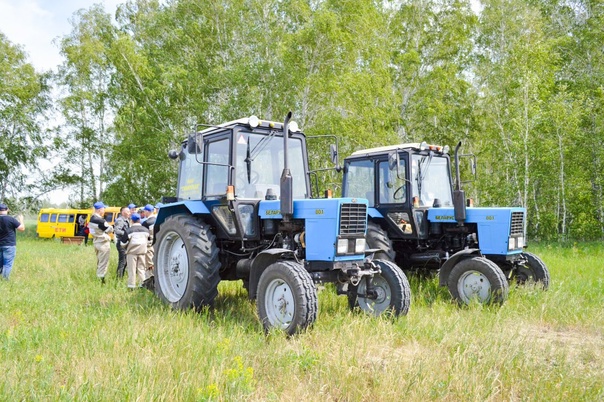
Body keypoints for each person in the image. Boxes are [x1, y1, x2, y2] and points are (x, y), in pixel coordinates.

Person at [119, 213, 149, 289]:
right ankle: (143, 285)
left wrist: (127, 247)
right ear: (139, 220)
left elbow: (123, 243)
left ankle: (131, 286)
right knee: (141, 269)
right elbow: (149, 241)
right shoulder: (146, 230)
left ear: (131, 220)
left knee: (131, 270)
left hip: (131, 253)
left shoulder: (129, 230)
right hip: (142, 252)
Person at [89, 201, 114, 284]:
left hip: (96, 242)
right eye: (103, 209)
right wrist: (112, 226)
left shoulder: (92, 219)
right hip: (103, 243)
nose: (104, 211)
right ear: (99, 210)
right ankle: (101, 281)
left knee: (99, 262)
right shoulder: (100, 220)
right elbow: (109, 229)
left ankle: (98, 277)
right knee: (103, 263)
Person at [0, 203, 25, 280]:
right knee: (7, 264)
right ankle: (4, 280)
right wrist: (21, 220)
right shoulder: (11, 219)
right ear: (7, 210)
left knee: (0, 264)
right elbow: (22, 229)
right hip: (9, 245)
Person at [141, 204, 157, 286]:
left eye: (144, 211)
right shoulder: (158, 220)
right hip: (157, 245)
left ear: (147, 211)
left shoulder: (146, 223)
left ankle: (150, 283)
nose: (143, 213)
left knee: (149, 265)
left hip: (149, 246)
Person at [113, 206, 131, 278]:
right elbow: (117, 230)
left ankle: (121, 275)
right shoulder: (120, 220)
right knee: (122, 261)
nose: (129, 213)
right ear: (123, 212)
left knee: (125, 261)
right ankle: (119, 277)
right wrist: (127, 234)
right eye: (128, 211)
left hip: (125, 243)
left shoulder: (127, 220)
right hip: (121, 243)